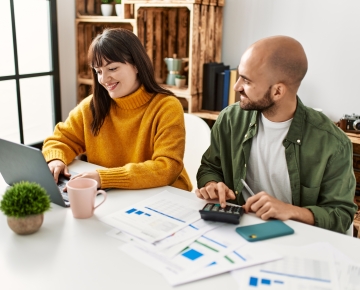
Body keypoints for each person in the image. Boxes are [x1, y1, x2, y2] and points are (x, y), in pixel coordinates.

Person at [195, 35, 357, 233]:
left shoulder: (333, 143)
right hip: (235, 230)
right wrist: (213, 183)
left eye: (246, 81)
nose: (237, 87)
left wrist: (291, 211)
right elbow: (210, 166)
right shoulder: (230, 119)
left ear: (278, 92)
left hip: (297, 238)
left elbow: (341, 215)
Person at [42, 28, 192, 192]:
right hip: (114, 195)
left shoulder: (166, 107)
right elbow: (59, 140)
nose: (104, 79)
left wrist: (104, 178)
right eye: (98, 71)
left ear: (136, 65)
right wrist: (56, 159)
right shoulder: (92, 106)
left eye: (112, 69)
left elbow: (167, 167)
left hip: (163, 196)